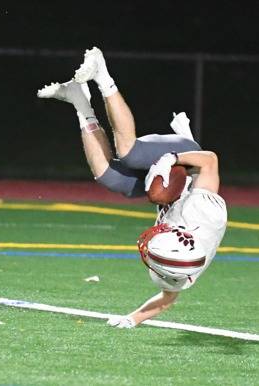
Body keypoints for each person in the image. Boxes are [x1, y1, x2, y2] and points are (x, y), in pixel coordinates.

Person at [37, 47, 228, 328]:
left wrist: (132, 319)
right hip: (188, 163)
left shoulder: (178, 270)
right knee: (128, 152)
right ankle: (102, 74)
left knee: (109, 176)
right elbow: (210, 161)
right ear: (178, 233)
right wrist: (172, 157)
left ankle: (80, 102)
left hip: (167, 191)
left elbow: (166, 300)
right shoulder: (205, 213)